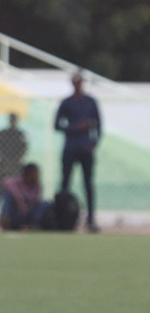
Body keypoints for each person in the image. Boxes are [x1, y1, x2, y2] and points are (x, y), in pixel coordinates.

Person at [55, 71, 102, 233]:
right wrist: (75, 127)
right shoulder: (66, 102)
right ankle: (62, 219)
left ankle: (90, 219)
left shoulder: (90, 102)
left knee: (88, 184)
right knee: (65, 183)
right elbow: (57, 125)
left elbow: (99, 124)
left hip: (85, 148)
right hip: (70, 148)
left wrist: (94, 143)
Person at [0, 112, 27, 225]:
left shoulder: (20, 134)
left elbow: (23, 150)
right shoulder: (2, 134)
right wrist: (6, 160)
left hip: (16, 167)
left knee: (17, 194)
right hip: (3, 166)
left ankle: (20, 218)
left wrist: (14, 161)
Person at [0, 163, 50, 231]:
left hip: (29, 212)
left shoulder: (37, 186)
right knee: (8, 196)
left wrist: (27, 205)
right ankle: (6, 222)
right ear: (28, 174)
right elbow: (5, 182)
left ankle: (32, 225)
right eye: (35, 174)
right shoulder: (16, 182)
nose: (37, 176)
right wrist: (20, 201)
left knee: (45, 204)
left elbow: (36, 200)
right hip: (17, 212)